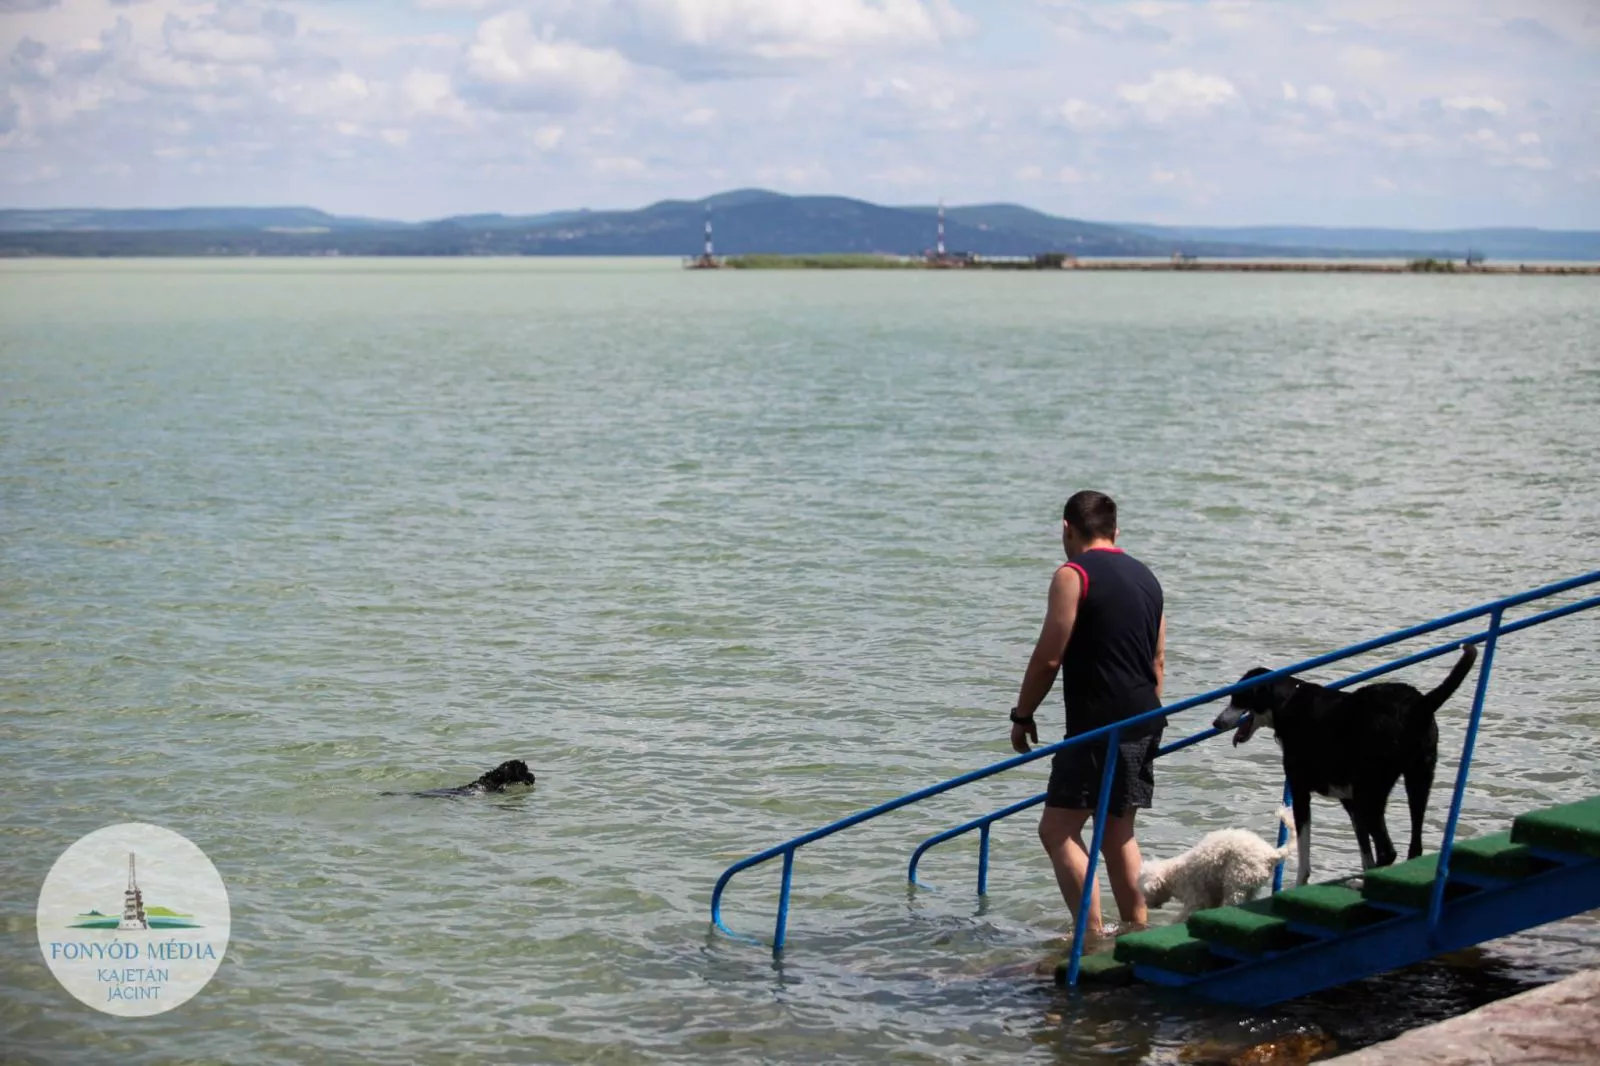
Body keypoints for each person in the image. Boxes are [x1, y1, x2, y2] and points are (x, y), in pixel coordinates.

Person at [1008, 490, 1166, 938]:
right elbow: (1157, 662)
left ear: (1066, 529)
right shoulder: (1147, 578)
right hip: (1145, 717)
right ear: (1116, 532)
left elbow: (1048, 659)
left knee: (1057, 830)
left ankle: (1091, 939)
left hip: (1100, 723)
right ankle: (1138, 931)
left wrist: (1022, 715)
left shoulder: (1072, 574)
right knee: (1118, 833)